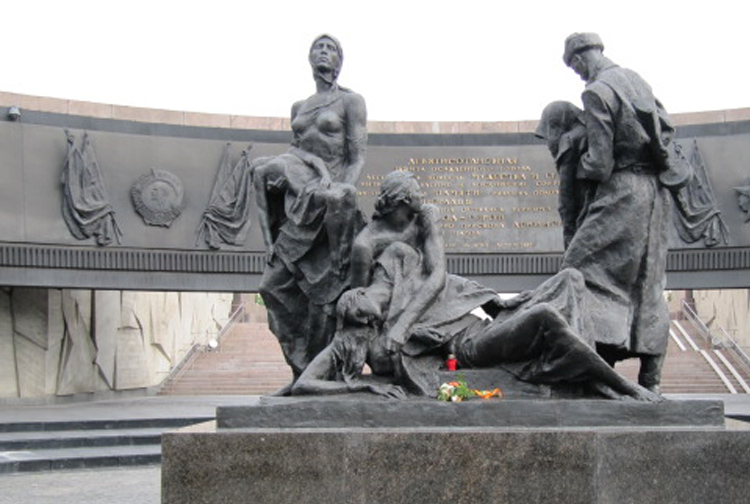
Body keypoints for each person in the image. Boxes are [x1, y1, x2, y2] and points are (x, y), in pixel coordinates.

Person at [291, 171, 659, 402]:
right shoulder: (359, 337)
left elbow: (437, 277)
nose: (360, 296)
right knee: (546, 316)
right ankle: (619, 386)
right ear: (357, 320)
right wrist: (364, 384)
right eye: (357, 303)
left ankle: (583, 376)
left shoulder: (394, 261)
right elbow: (305, 384)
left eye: (361, 293)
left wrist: (400, 327)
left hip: (477, 320)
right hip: (464, 346)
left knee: (572, 279)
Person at [560, 33, 689, 394]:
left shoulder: (597, 91)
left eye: (576, 67)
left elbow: (600, 164)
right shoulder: (635, 79)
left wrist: (575, 166)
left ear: (582, 58)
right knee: (647, 282)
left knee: (577, 272)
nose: (579, 74)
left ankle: (592, 371)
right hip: (655, 195)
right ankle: (650, 378)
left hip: (622, 192)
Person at [252, 34, 368, 393]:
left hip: (332, 202)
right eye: (318, 47)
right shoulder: (299, 106)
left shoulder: (351, 101)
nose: (324, 52)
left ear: (340, 60)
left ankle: (314, 378)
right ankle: (298, 372)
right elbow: (296, 150)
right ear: (309, 58)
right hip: (300, 200)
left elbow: (356, 155)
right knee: (272, 287)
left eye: (331, 48)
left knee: (327, 297)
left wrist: (339, 190)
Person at [535, 101, 589, 249]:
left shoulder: (569, 141)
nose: (548, 142)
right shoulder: (591, 131)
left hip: (584, 211)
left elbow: (566, 198)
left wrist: (569, 235)